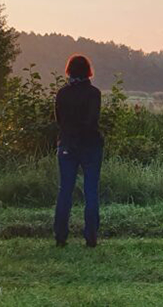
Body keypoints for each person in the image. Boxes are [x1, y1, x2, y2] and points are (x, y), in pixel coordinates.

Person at [53, 54, 104, 248]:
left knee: (65, 190)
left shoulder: (62, 93)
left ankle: (60, 236)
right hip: (90, 146)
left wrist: (70, 134)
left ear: (69, 70)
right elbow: (93, 121)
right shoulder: (94, 93)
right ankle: (91, 237)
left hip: (67, 145)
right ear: (88, 71)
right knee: (91, 191)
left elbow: (58, 120)